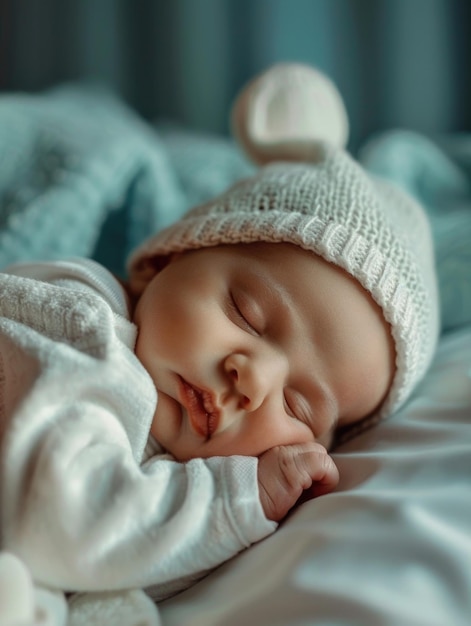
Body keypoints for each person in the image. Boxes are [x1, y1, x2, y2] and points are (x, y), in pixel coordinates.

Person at [0, 63, 439, 619]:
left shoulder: (170, 471)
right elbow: (62, 523)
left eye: (297, 405)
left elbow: (122, 563)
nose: (253, 378)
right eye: (247, 314)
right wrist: (238, 499)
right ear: (166, 260)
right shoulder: (77, 318)